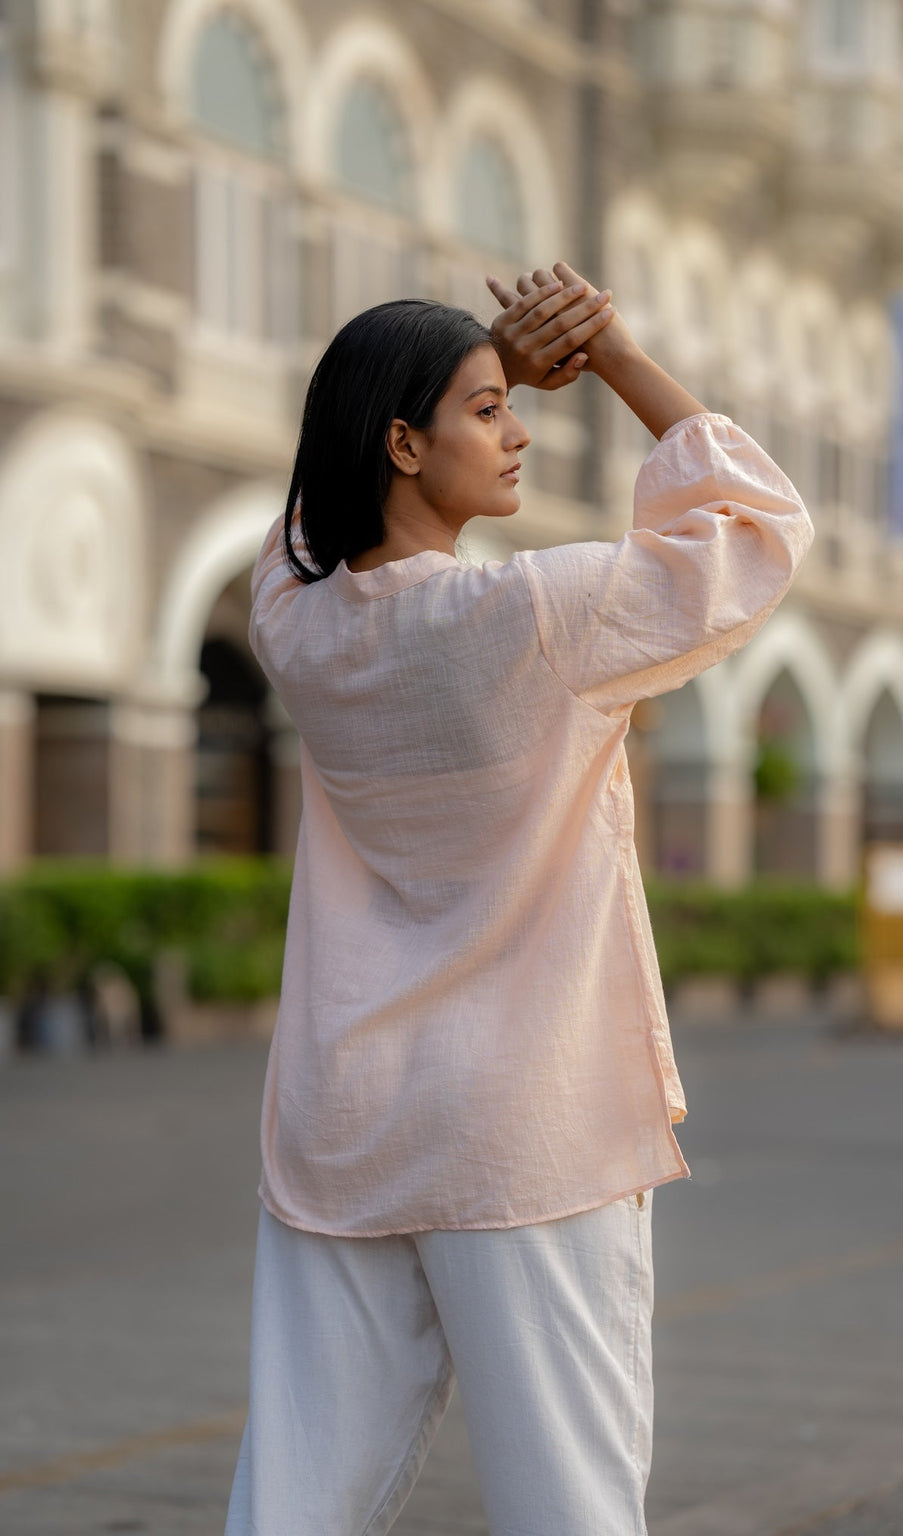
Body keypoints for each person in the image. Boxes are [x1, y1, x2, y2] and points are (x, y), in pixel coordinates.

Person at [224, 259, 814, 1536]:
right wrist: (602, 351)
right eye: (489, 410)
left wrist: (466, 360)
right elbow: (759, 528)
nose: (522, 428)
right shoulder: (542, 613)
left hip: (348, 1114)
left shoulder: (295, 624)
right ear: (401, 442)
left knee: (296, 1497)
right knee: (571, 1503)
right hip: (525, 1125)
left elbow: (298, 530)